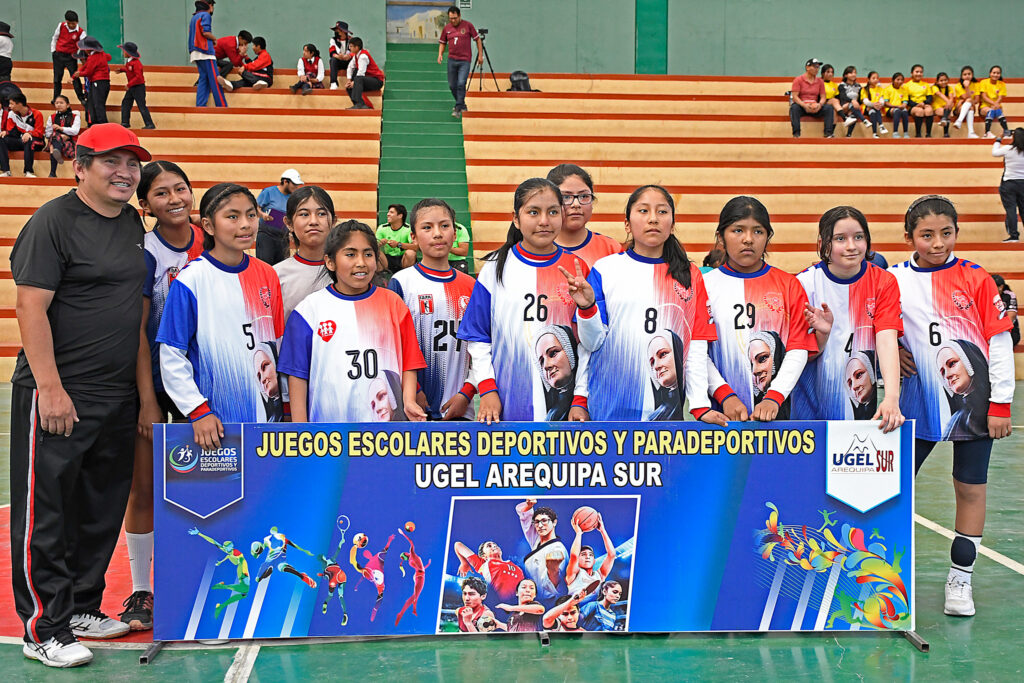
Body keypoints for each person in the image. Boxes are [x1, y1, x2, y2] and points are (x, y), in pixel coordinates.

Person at [10, 124, 151, 667]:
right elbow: (30, 308)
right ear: (80, 166)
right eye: (110, 162)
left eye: (132, 163)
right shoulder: (53, 222)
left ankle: (81, 607)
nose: (124, 172)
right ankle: (42, 626)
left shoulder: (131, 225)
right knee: (48, 511)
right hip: (61, 392)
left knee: (99, 506)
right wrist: (50, 388)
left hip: (115, 395)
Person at [889, 195, 1014, 617]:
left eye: (946, 233)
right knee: (894, 487)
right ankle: (883, 577)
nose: (937, 242)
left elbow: (998, 344)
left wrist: (1001, 403)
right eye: (926, 235)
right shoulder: (893, 278)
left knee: (970, 487)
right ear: (909, 238)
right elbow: (877, 329)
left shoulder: (977, 278)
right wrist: (893, 350)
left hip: (975, 403)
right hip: (915, 400)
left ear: (956, 233)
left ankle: (961, 578)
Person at [120, 161, 204, 632]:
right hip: (153, 379)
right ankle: (140, 589)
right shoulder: (146, 252)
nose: (174, 199)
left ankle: (201, 578)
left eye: (181, 189)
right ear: (144, 203)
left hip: (203, 383)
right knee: (143, 484)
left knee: (211, 481)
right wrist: (147, 398)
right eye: (161, 193)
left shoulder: (212, 241)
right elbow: (136, 328)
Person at [571, 185, 723, 423]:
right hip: (609, 409)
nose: (653, 218)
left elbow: (696, 346)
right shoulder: (605, 269)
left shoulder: (690, 275)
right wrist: (587, 308)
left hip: (666, 416)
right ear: (627, 224)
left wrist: (700, 405)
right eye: (643, 211)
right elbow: (590, 344)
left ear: (672, 225)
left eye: (662, 212)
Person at [157, 183, 286, 449]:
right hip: (215, 422)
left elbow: (277, 343)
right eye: (232, 216)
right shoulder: (191, 280)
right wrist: (197, 410)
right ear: (208, 225)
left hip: (268, 420)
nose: (245, 224)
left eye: (251, 215)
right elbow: (171, 354)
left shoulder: (267, 274)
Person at [457, 177, 591, 423]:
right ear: (516, 218)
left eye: (552, 212)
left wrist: (580, 399)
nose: (544, 221)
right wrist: (487, 389)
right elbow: (478, 337)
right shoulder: (495, 267)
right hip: (506, 403)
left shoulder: (577, 269)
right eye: (533, 212)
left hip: (565, 409)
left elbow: (587, 345)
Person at [278, 220, 427, 423]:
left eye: (368, 254)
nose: (361, 262)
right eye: (350, 254)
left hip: (387, 433)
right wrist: (300, 427)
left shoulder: (393, 303)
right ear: (330, 262)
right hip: (329, 432)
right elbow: (297, 374)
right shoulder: (309, 310)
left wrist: (409, 400)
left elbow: (409, 361)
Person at [704, 196, 816, 421]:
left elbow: (798, 348)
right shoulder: (704, 286)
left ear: (767, 237)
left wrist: (774, 396)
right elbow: (697, 353)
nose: (748, 239)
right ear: (720, 237)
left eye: (758, 231)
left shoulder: (789, 285)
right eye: (737, 230)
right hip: (720, 418)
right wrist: (725, 395)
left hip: (779, 420)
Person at [794, 206, 904, 427]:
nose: (852, 246)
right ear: (823, 243)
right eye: (840, 238)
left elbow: (886, 339)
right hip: (809, 410)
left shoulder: (883, 282)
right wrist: (822, 337)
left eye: (859, 237)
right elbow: (798, 355)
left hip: (861, 408)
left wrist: (892, 397)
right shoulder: (804, 284)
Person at [389, 198, 477, 420]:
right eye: (427, 227)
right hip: (413, 406)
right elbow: (394, 345)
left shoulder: (472, 286)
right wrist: (414, 389)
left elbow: (481, 348)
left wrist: (466, 393)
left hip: (458, 407)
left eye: (445, 226)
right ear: (413, 237)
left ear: (455, 234)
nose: (437, 233)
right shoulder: (401, 282)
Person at [274, 185, 334, 321]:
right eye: (304, 214)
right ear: (289, 223)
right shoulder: (276, 276)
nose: (313, 221)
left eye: (321, 214)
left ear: (333, 221)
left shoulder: (345, 271)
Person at [547, 163, 623, 266]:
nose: (576, 204)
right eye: (566, 197)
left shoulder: (611, 249)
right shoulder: (537, 248)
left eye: (584, 196)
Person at [515, 499, 569, 606]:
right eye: (536, 522)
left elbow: (556, 588)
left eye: (544, 521)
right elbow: (525, 518)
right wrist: (529, 505)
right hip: (532, 601)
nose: (540, 525)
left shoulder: (558, 549)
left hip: (549, 603)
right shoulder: (536, 541)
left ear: (554, 522)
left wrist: (553, 571)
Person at [438, 6, 483, 118]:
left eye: (455, 18)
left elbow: (477, 39)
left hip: (464, 60)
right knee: (452, 85)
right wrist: (440, 54)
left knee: (461, 83)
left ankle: (458, 108)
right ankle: (462, 104)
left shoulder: (468, 25)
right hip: (452, 60)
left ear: (459, 16)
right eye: (451, 18)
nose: (453, 21)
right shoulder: (447, 28)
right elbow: (443, 42)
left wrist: (480, 55)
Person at [452, 539, 525, 604]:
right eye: (489, 546)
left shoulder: (518, 568)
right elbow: (458, 545)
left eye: (495, 545)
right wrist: (464, 563)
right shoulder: (483, 564)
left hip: (516, 606)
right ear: (484, 556)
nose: (494, 546)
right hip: (498, 606)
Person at [256, 169, 302, 265]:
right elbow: (255, 208)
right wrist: (263, 215)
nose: (296, 187)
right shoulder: (269, 192)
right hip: (266, 235)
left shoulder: (293, 198)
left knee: (282, 265)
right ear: (285, 182)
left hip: (283, 238)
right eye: (294, 184)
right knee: (265, 265)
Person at [565, 512, 616, 595]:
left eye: (591, 555)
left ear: (594, 561)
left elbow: (612, 555)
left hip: (595, 607)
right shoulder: (574, 573)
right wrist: (578, 534)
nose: (587, 557)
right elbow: (574, 556)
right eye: (583, 554)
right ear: (577, 560)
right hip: (576, 607)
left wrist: (602, 530)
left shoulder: (600, 575)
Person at [187, 1, 227, 107]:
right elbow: (205, 32)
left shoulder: (194, 17)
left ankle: (200, 105)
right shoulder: (206, 15)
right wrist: (214, 39)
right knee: (215, 79)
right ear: (210, 6)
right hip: (205, 51)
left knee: (203, 79)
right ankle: (222, 106)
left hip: (194, 51)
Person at [0, 93, 45, 178]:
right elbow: (12, 131)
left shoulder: (37, 114)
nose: (9, 106)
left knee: (29, 140)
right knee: (2, 139)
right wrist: (6, 132)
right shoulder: (11, 114)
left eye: (12, 104)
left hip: (37, 141)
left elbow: (39, 132)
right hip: (20, 140)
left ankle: (28, 171)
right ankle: (6, 170)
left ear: (19, 104)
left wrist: (29, 133)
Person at [394, 528, 431, 626]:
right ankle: (413, 609)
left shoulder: (412, 557)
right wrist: (403, 534)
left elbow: (420, 567)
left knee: (414, 595)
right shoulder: (411, 556)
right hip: (419, 575)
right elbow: (420, 567)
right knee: (416, 595)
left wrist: (427, 565)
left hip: (418, 575)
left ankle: (402, 613)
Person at [993, 128, 1024, 243]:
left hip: (1009, 182)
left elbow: (994, 152)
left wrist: (998, 139)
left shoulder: (1008, 149)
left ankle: (1014, 235)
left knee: (1011, 210)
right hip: (1023, 182)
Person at [790, 58, 834, 138]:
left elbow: (823, 97)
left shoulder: (820, 81)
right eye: (814, 67)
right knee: (794, 108)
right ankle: (796, 134)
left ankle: (828, 133)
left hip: (815, 106)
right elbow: (795, 97)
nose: (816, 69)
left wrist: (819, 105)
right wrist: (804, 105)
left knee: (829, 108)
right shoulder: (798, 80)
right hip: (802, 106)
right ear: (807, 67)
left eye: (818, 67)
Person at [116, 42, 155, 130]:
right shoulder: (129, 62)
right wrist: (122, 70)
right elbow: (129, 70)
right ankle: (125, 122)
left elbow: (138, 77)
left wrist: (129, 84)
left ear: (128, 53)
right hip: (132, 86)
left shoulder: (136, 63)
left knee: (141, 105)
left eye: (124, 51)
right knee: (126, 103)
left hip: (138, 87)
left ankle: (149, 123)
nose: (123, 53)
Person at [73, 37, 111, 125]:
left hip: (98, 81)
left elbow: (88, 72)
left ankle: (102, 124)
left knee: (97, 104)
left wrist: (79, 74)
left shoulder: (93, 57)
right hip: (101, 82)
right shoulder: (100, 55)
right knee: (94, 104)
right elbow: (109, 57)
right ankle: (96, 123)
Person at [50, 10, 86, 105]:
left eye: (73, 23)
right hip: (58, 55)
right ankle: (55, 98)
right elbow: (55, 38)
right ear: (66, 21)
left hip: (71, 57)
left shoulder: (81, 32)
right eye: (69, 23)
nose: (71, 25)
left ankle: (81, 97)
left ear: (77, 22)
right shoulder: (61, 26)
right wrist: (53, 51)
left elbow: (84, 46)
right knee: (57, 78)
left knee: (74, 77)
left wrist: (80, 56)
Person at [44, 95, 80, 177]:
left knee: (54, 144)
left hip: (70, 142)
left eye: (61, 103)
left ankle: (52, 173)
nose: (58, 105)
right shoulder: (52, 117)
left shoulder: (75, 116)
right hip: (55, 140)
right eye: (56, 103)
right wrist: (60, 136)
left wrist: (62, 130)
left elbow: (75, 131)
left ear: (68, 105)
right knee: (54, 136)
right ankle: (57, 152)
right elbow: (47, 133)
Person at [345, 37, 384, 110]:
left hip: (377, 81)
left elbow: (361, 73)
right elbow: (350, 67)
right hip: (367, 80)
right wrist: (349, 80)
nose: (349, 48)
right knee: (349, 87)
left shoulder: (363, 56)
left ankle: (360, 103)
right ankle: (359, 104)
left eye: (351, 46)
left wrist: (354, 82)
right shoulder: (356, 55)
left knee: (358, 78)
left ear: (357, 47)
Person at [376, 203, 414, 273]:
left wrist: (398, 244)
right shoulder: (382, 228)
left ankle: (407, 274)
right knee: (375, 251)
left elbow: (416, 247)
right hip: (387, 259)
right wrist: (380, 243)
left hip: (402, 259)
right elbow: (372, 245)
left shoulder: (408, 229)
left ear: (400, 216)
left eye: (391, 212)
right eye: (388, 212)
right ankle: (380, 275)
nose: (388, 214)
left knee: (411, 253)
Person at [836, 66, 871, 136]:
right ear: (846, 75)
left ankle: (848, 135)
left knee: (853, 115)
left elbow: (861, 98)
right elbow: (843, 97)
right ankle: (864, 120)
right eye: (851, 73)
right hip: (844, 106)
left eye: (855, 72)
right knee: (852, 106)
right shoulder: (842, 85)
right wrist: (852, 101)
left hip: (855, 108)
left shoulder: (858, 86)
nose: (853, 74)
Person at [978, 65, 1010, 139]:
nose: (995, 75)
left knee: (998, 110)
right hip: (984, 107)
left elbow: (1000, 97)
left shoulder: (1002, 84)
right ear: (990, 73)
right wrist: (994, 104)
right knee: (991, 111)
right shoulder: (984, 82)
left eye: (998, 73)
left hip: (997, 107)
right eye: (994, 73)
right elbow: (984, 96)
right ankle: (987, 133)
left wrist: (995, 105)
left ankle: (1006, 131)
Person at [904, 64, 935, 138]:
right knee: (919, 111)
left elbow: (930, 98)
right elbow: (906, 100)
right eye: (917, 72)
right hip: (913, 106)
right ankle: (918, 134)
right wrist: (917, 105)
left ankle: (928, 134)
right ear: (912, 73)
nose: (919, 74)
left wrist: (924, 103)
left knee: (929, 110)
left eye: (921, 72)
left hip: (924, 104)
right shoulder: (906, 85)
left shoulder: (926, 85)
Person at [992, 274, 1019, 346]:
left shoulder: (1009, 295)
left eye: (992, 287)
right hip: (991, 331)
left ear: (1001, 287)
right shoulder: (986, 295)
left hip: (1009, 331)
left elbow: (1011, 316)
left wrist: (996, 331)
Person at [952, 66, 979, 138]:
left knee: (970, 104)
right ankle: (970, 131)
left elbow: (976, 100)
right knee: (969, 102)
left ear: (972, 75)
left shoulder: (976, 85)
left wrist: (967, 87)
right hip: (958, 109)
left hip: (971, 107)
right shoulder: (958, 86)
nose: (967, 76)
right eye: (965, 74)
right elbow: (966, 97)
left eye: (969, 74)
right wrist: (967, 87)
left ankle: (960, 122)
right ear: (961, 76)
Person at [860, 71, 888, 138]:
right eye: (873, 78)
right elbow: (865, 101)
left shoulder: (880, 89)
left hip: (877, 108)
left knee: (874, 111)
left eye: (877, 78)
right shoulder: (864, 89)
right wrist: (873, 105)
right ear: (868, 79)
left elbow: (882, 100)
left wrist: (880, 104)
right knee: (873, 110)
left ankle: (875, 132)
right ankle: (880, 126)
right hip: (867, 108)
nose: (876, 80)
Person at [883, 72, 909, 139]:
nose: (900, 81)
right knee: (897, 111)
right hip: (889, 109)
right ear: (893, 80)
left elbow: (905, 102)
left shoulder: (904, 90)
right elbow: (886, 103)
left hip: (900, 108)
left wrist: (903, 105)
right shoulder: (887, 89)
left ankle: (906, 132)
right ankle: (895, 132)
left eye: (901, 80)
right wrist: (896, 106)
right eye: (898, 79)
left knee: (905, 111)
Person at [327, 21, 352, 90]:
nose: (337, 32)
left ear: (344, 31)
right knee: (332, 60)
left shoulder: (350, 40)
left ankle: (352, 82)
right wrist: (339, 56)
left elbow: (352, 52)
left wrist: (348, 56)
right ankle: (333, 82)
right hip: (339, 61)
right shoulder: (333, 40)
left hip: (348, 61)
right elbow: (332, 52)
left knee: (354, 60)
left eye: (339, 30)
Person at [932, 72, 953, 138]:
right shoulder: (934, 87)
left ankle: (944, 120)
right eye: (941, 80)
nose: (943, 82)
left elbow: (951, 97)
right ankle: (946, 132)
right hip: (937, 107)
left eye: (945, 80)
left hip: (946, 107)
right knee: (947, 113)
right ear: (937, 82)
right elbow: (940, 94)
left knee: (949, 107)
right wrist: (949, 102)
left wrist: (949, 103)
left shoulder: (949, 88)